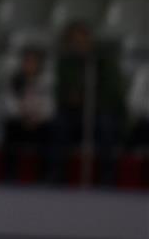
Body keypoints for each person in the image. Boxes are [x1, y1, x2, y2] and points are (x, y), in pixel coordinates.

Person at [49, 20, 125, 185]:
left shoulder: (104, 60)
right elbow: (59, 89)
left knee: (106, 127)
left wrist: (91, 100)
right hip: (73, 111)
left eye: (81, 40)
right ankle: (57, 172)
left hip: (100, 109)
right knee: (59, 125)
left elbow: (113, 90)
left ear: (89, 39)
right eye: (74, 41)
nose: (78, 44)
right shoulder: (66, 62)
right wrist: (70, 98)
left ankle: (107, 175)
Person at [0, 45, 54, 182]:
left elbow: (49, 105)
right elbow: (9, 102)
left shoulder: (45, 81)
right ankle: (9, 174)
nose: (30, 65)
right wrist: (23, 116)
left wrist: (37, 117)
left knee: (51, 130)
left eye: (33, 62)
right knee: (10, 128)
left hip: (39, 122)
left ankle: (45, 175)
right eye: (27, 62)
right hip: (20, 121)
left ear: (39, 64)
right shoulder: (15, 81)